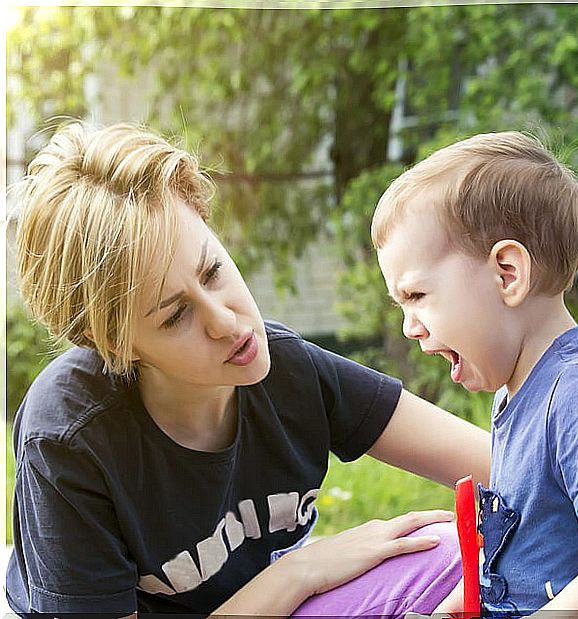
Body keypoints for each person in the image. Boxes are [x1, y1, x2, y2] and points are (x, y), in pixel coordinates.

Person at [6, 121, 491, 617]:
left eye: (212, 271)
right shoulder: (69, 437)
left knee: (453, 552)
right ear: (114, 342)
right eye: (175, 315)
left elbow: (506, 464)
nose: (225, 321)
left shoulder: (285, 367)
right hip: (276, 598)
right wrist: (301, 571)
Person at [373, 131, 578, 616]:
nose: (409, 327)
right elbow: (512, 557)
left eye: (416, 296)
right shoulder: (514, 395)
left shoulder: (575, 394)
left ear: (507, 273)